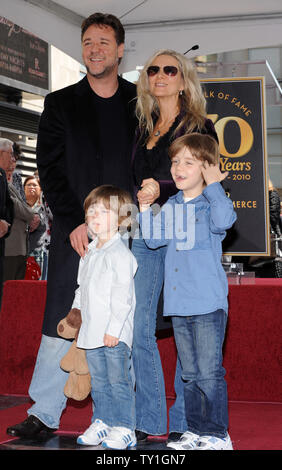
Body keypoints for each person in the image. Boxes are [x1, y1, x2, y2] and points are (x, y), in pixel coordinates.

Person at [7, 12, 137, 438]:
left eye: (103, 41)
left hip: (127, 236)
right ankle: (44, 412)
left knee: (121, 320)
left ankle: (120, 419)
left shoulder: (141, 104)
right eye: (88, 42)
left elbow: (148, 168)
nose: (94, 49)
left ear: (120, 50)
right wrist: (74, 222)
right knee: (63, 315)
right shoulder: (59, 103)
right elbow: (50, 168)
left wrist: (131, 221)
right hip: (75, 233)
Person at [131, 49, 218, 442]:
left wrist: (162, 186)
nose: (160, 75)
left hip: (184, 229)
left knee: (186, 326)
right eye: (153, 69)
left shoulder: (199, 124)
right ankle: (150, 418)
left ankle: (184, 421)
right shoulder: (142, 124)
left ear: (183, 79)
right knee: (138, 327)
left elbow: (209, 175)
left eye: (170, 69)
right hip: (145, 227)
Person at [138, 133, 237, 450]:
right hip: (179, 305)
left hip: (207, 303)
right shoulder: (171, 205)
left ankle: (217, 434)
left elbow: (226, 219)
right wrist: (144, 208)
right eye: (175, 161)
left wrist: (213, 185)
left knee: (209, 373)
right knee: (190, 374)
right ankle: (195, 429)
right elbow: (153, 239)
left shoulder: (212, 204)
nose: (178, 167)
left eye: (188, 162)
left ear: (206, 168)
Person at [75, 185, 137, 450]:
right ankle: (103, 421)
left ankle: (125, 427)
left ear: (122, 218)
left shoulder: (120, 254)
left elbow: (123, 297)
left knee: (118, 380)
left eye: (103, 211)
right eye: (91, 211)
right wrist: (75, 316)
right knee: (98, 381)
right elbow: (82, 289)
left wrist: (114, 329)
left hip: (114, 333)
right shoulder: (89, 252)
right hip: (91, 332)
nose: (95, 216)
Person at [4, 154, 41, 282]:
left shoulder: (11, 182)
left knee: (15, 291)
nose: (13, 162)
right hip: (9, 248)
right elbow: (15, 205)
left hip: (18, 248)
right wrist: (32, 216)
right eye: (10, 156)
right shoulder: (3, 183)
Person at [24, 175, 53, 280]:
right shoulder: (20, 207)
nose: (31, 187)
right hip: (20, 255)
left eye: (35, 185)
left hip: (38, 256)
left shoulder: (44, 209)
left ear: (40, 189)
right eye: (29, 185)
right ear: (23, 188)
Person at [0, 138, 14, 307]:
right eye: (10, 154)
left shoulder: (2, 175)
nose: (12, 159)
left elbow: (9, 206)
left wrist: (6, 224)